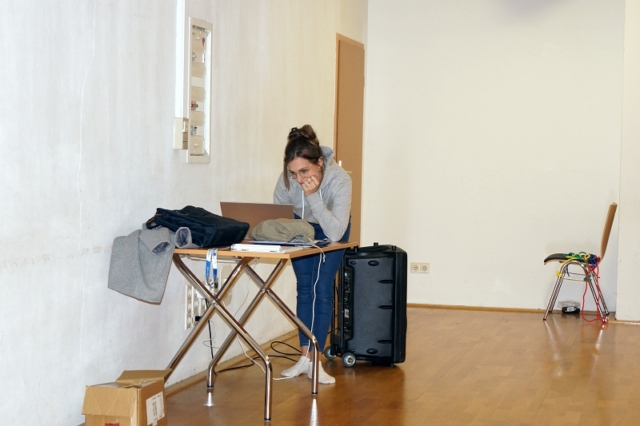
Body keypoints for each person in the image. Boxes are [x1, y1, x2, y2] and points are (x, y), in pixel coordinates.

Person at [273, 125, 352, 384]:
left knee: (322, 288)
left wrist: (313, 196)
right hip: (302, 228)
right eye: (293, 173)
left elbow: (336, 232)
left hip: (332, 228)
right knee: (305, 288)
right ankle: (304, 357)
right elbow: (278, 213)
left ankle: (316, 360)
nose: (298, 179)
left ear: (319, 162)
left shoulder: (340, 180)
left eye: (304, 171)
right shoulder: (288, 178)